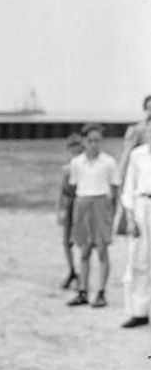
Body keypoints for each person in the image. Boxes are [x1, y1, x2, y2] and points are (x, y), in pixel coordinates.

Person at [67, 123, 120, 308]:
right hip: (83, 204)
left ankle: (101, 292)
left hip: (101, 204)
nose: (94, 144)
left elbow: (115, 189)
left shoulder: (109, 162)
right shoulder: (76, 163)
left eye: (97, 140)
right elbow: (74, 188)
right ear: (84, 141)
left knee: (102, 250)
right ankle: (82, 291)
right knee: (84, 250)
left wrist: (112, 214)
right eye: (90, 141)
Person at [120, 124, 151, 328]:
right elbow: (128, 188)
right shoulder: (137, 155)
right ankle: (139, 311)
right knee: (140, 261)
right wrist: (130, 220)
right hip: (142, 207)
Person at [114, 94, 151, 235]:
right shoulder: (137, 130)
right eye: (149, 108)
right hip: (137, 177)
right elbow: (126, 155)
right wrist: (120, 177)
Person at [57, 133, 84, 289]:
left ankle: (80, 272)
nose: (74, 148)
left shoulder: (83, 164)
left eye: (77, 145)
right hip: (68, 204)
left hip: (80, 204)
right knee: (66, 242)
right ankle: (72, 270)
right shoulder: (67, 168)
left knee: (80, 241)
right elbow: (61, 191)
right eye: (71, 145)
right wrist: (59, 210)